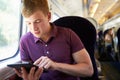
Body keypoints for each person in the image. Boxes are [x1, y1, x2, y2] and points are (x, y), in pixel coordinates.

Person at [14, 0, 93, 80]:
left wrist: (56, 65)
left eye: (37, 21)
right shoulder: (24, 41)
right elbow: (28, 73)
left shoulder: (68, 35)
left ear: (48, 16)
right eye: (28, 23)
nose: (33, 28)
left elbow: (88, 70)